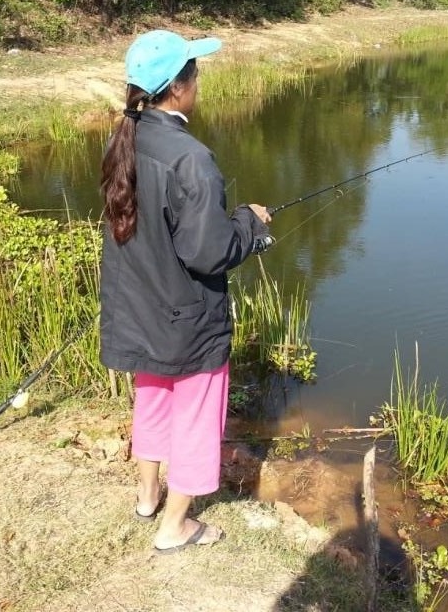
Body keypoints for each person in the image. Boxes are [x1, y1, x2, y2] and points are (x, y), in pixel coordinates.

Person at [99, 29, 272, 554]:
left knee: (152, 402)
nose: (199, 81)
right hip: (187, 320)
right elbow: (208, 252)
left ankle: (147, 495)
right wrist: (251, 224)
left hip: (140, 311)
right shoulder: (191, 157)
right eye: (194, 73)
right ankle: (175, 526)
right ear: (177, 88)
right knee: (197, 417)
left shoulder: (123, 139)